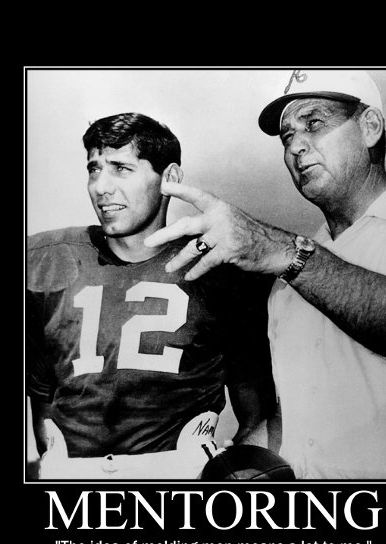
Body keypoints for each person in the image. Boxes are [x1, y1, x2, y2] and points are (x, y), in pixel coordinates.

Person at [145, 70, 386, 480]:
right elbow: (294, 420)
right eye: (287, 136)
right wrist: (226, 472)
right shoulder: (286, 283)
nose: (296, 146)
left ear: (370, 127)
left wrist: (278, 250)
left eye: (314, 123)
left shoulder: (291, 259)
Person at [26, 112, 276, 480]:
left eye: (121, 168)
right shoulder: (44, 261)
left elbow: (260, 414)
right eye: (94, 169)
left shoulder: (222, 272)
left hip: (181, 478)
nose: (101, 187)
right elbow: (43, 406)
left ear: (169, 178)